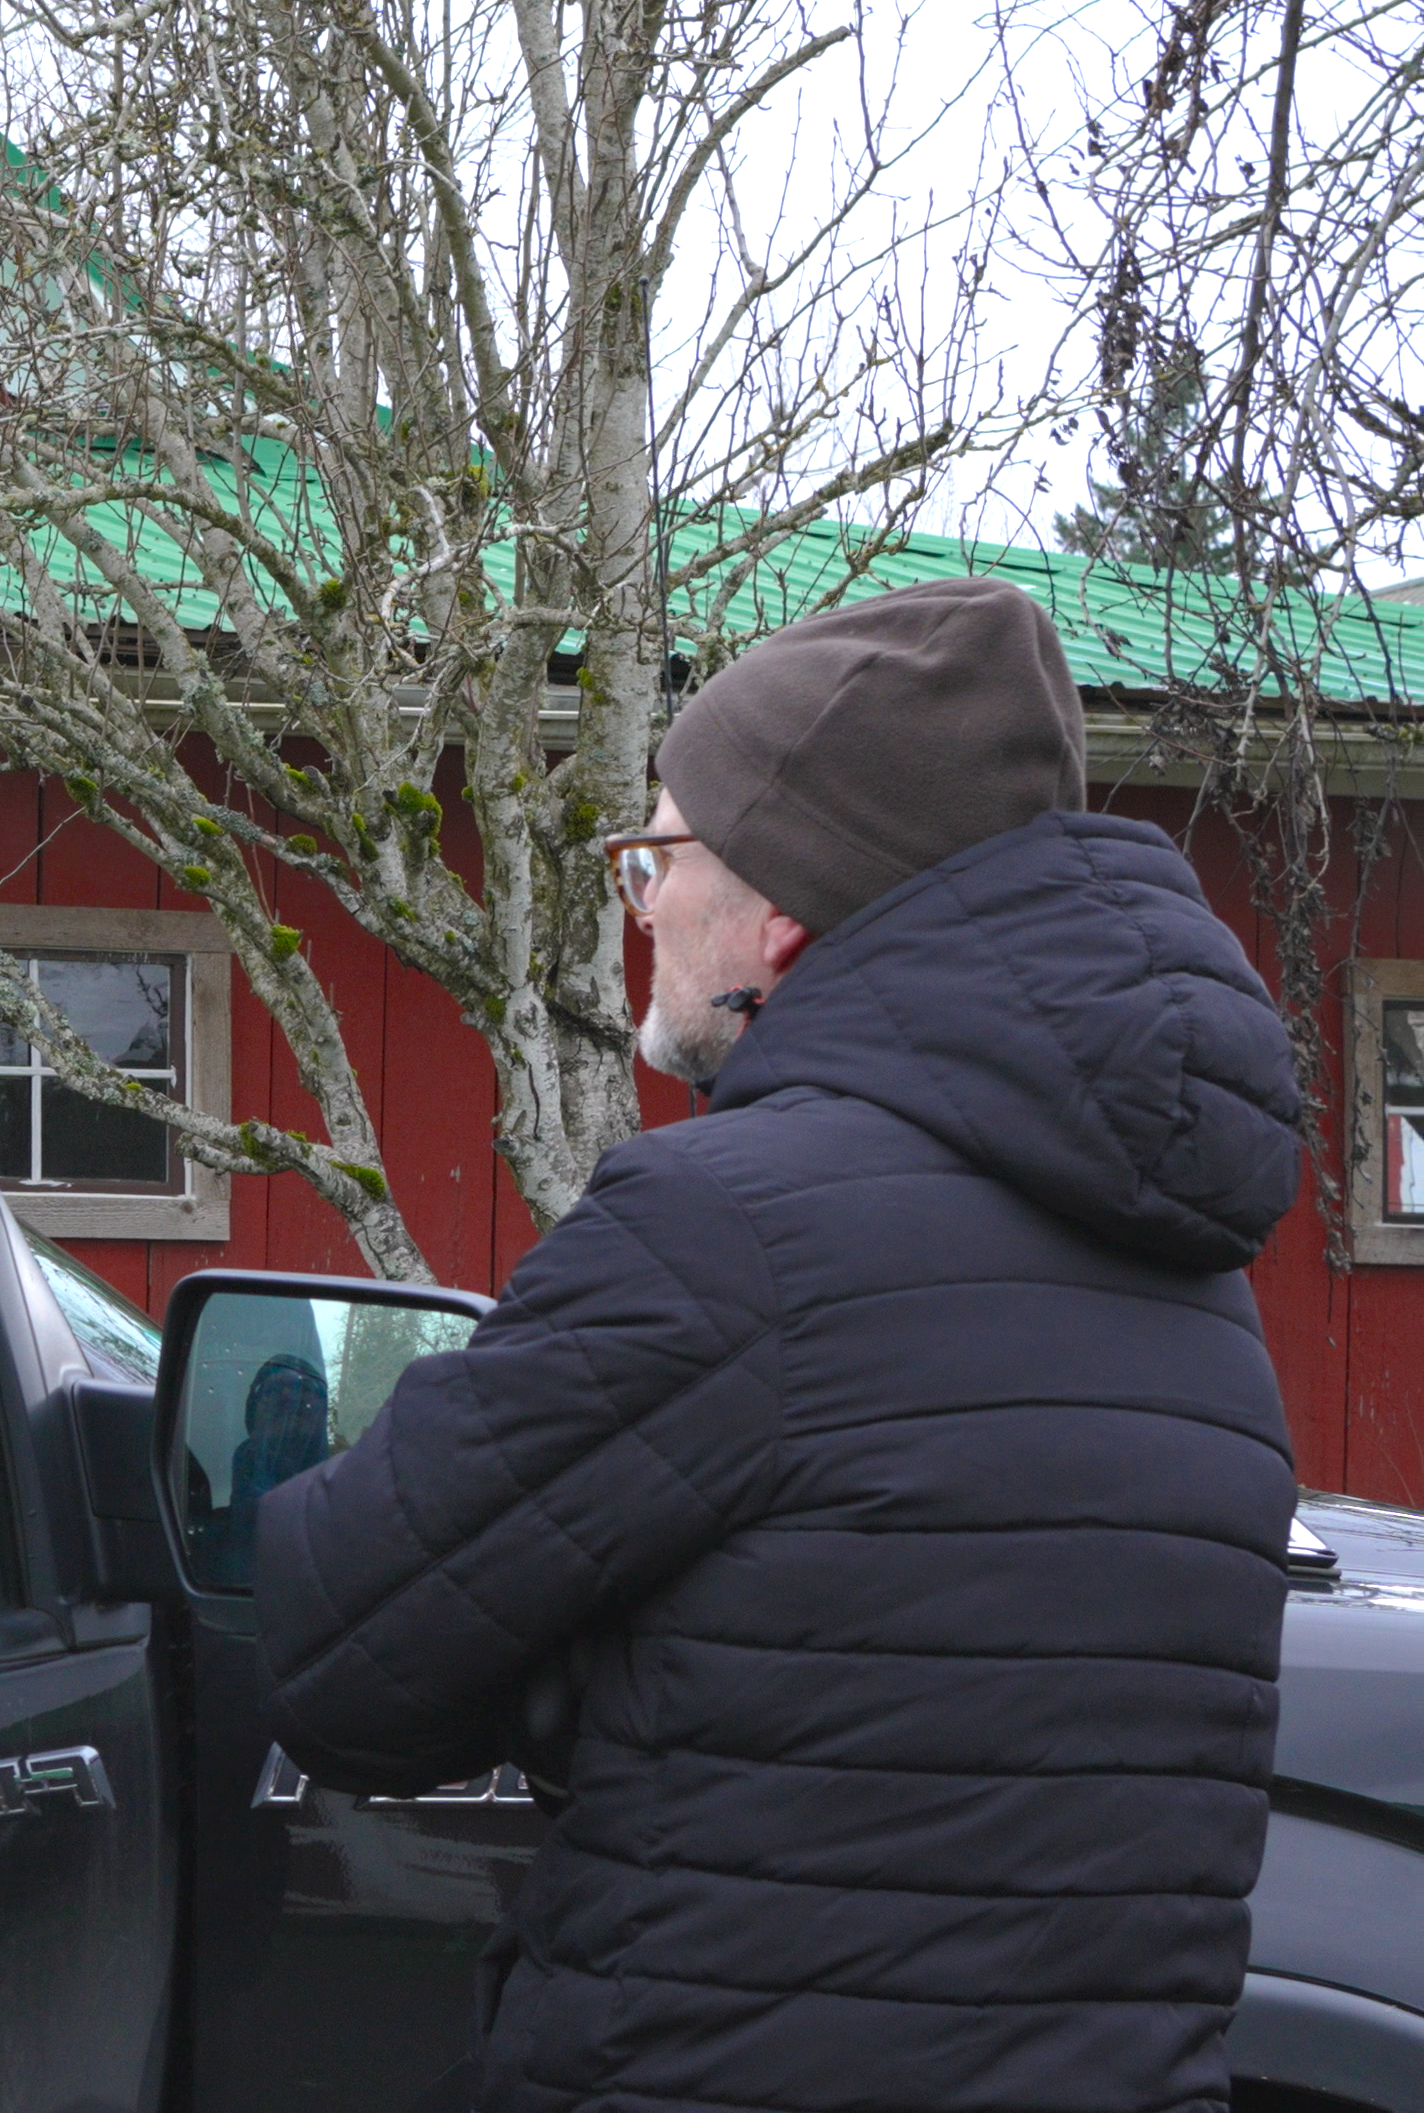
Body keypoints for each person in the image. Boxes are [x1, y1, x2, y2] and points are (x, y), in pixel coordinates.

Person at [256, 578, 1301, 2113]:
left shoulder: (723, 1233)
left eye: (660, 854)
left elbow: (341, 1659)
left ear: (785, 908)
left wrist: (569, 1674)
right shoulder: (1201, 1295)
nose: (644, 902)